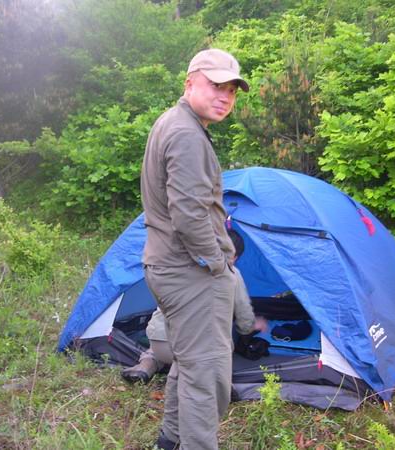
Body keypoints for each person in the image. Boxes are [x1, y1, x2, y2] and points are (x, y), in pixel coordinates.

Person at [140, 48, 249, 450]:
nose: (225, 96)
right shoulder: (186, 134)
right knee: (207, 375)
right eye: (216, 85)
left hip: (167, 266)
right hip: (190, 272)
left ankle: (170, 440)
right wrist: (217, 264)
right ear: (190, 83)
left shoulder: (175, 122)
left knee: (189, 362)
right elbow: (188, 214)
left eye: (232, 90)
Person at [121, 229, 268, 383]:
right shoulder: (232, 274)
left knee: (169, 338)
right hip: (199, 352)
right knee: (219, 344)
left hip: (160, 343)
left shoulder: (179, 264)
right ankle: (213, 382)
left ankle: (146, 365)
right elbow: (244, 317)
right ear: (235, 257)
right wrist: (251, 325)